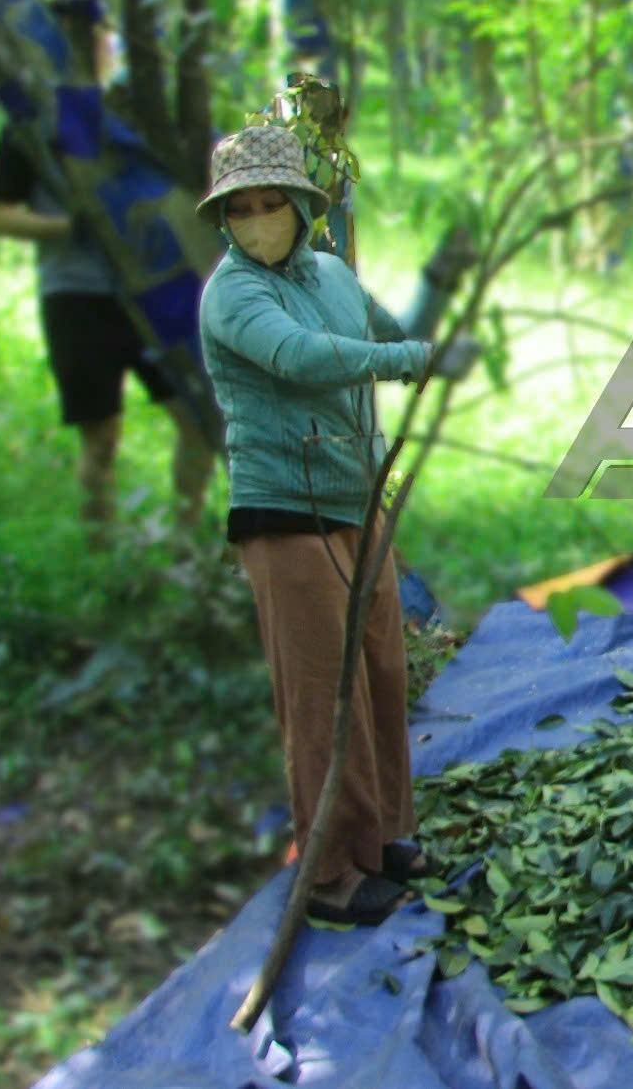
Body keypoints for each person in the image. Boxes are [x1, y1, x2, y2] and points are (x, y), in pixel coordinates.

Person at [196, 125, 477, 926]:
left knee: (382, 672)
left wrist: (439, 293)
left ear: (301, 205)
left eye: (269, 204)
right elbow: (307, 359)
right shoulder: (232, 294)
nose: (256, 221)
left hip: (357, 501)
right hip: (285, 511)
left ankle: (385, 833)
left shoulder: (328, 273)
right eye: (240, 210)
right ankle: (329, 873)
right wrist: (417, 358)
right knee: (322, 694)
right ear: (224, 220)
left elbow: (384, 330)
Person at [0, 0, 212, 548]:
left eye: (94, 36)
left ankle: (184, 542)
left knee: (198, 420)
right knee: (101, 437)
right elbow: (0, 215)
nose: (90, 48)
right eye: (73, 38)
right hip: (77, 294)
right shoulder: (30, 128)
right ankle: (101, 554)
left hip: (160, 289)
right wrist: (69, 226)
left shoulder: (138, 117)